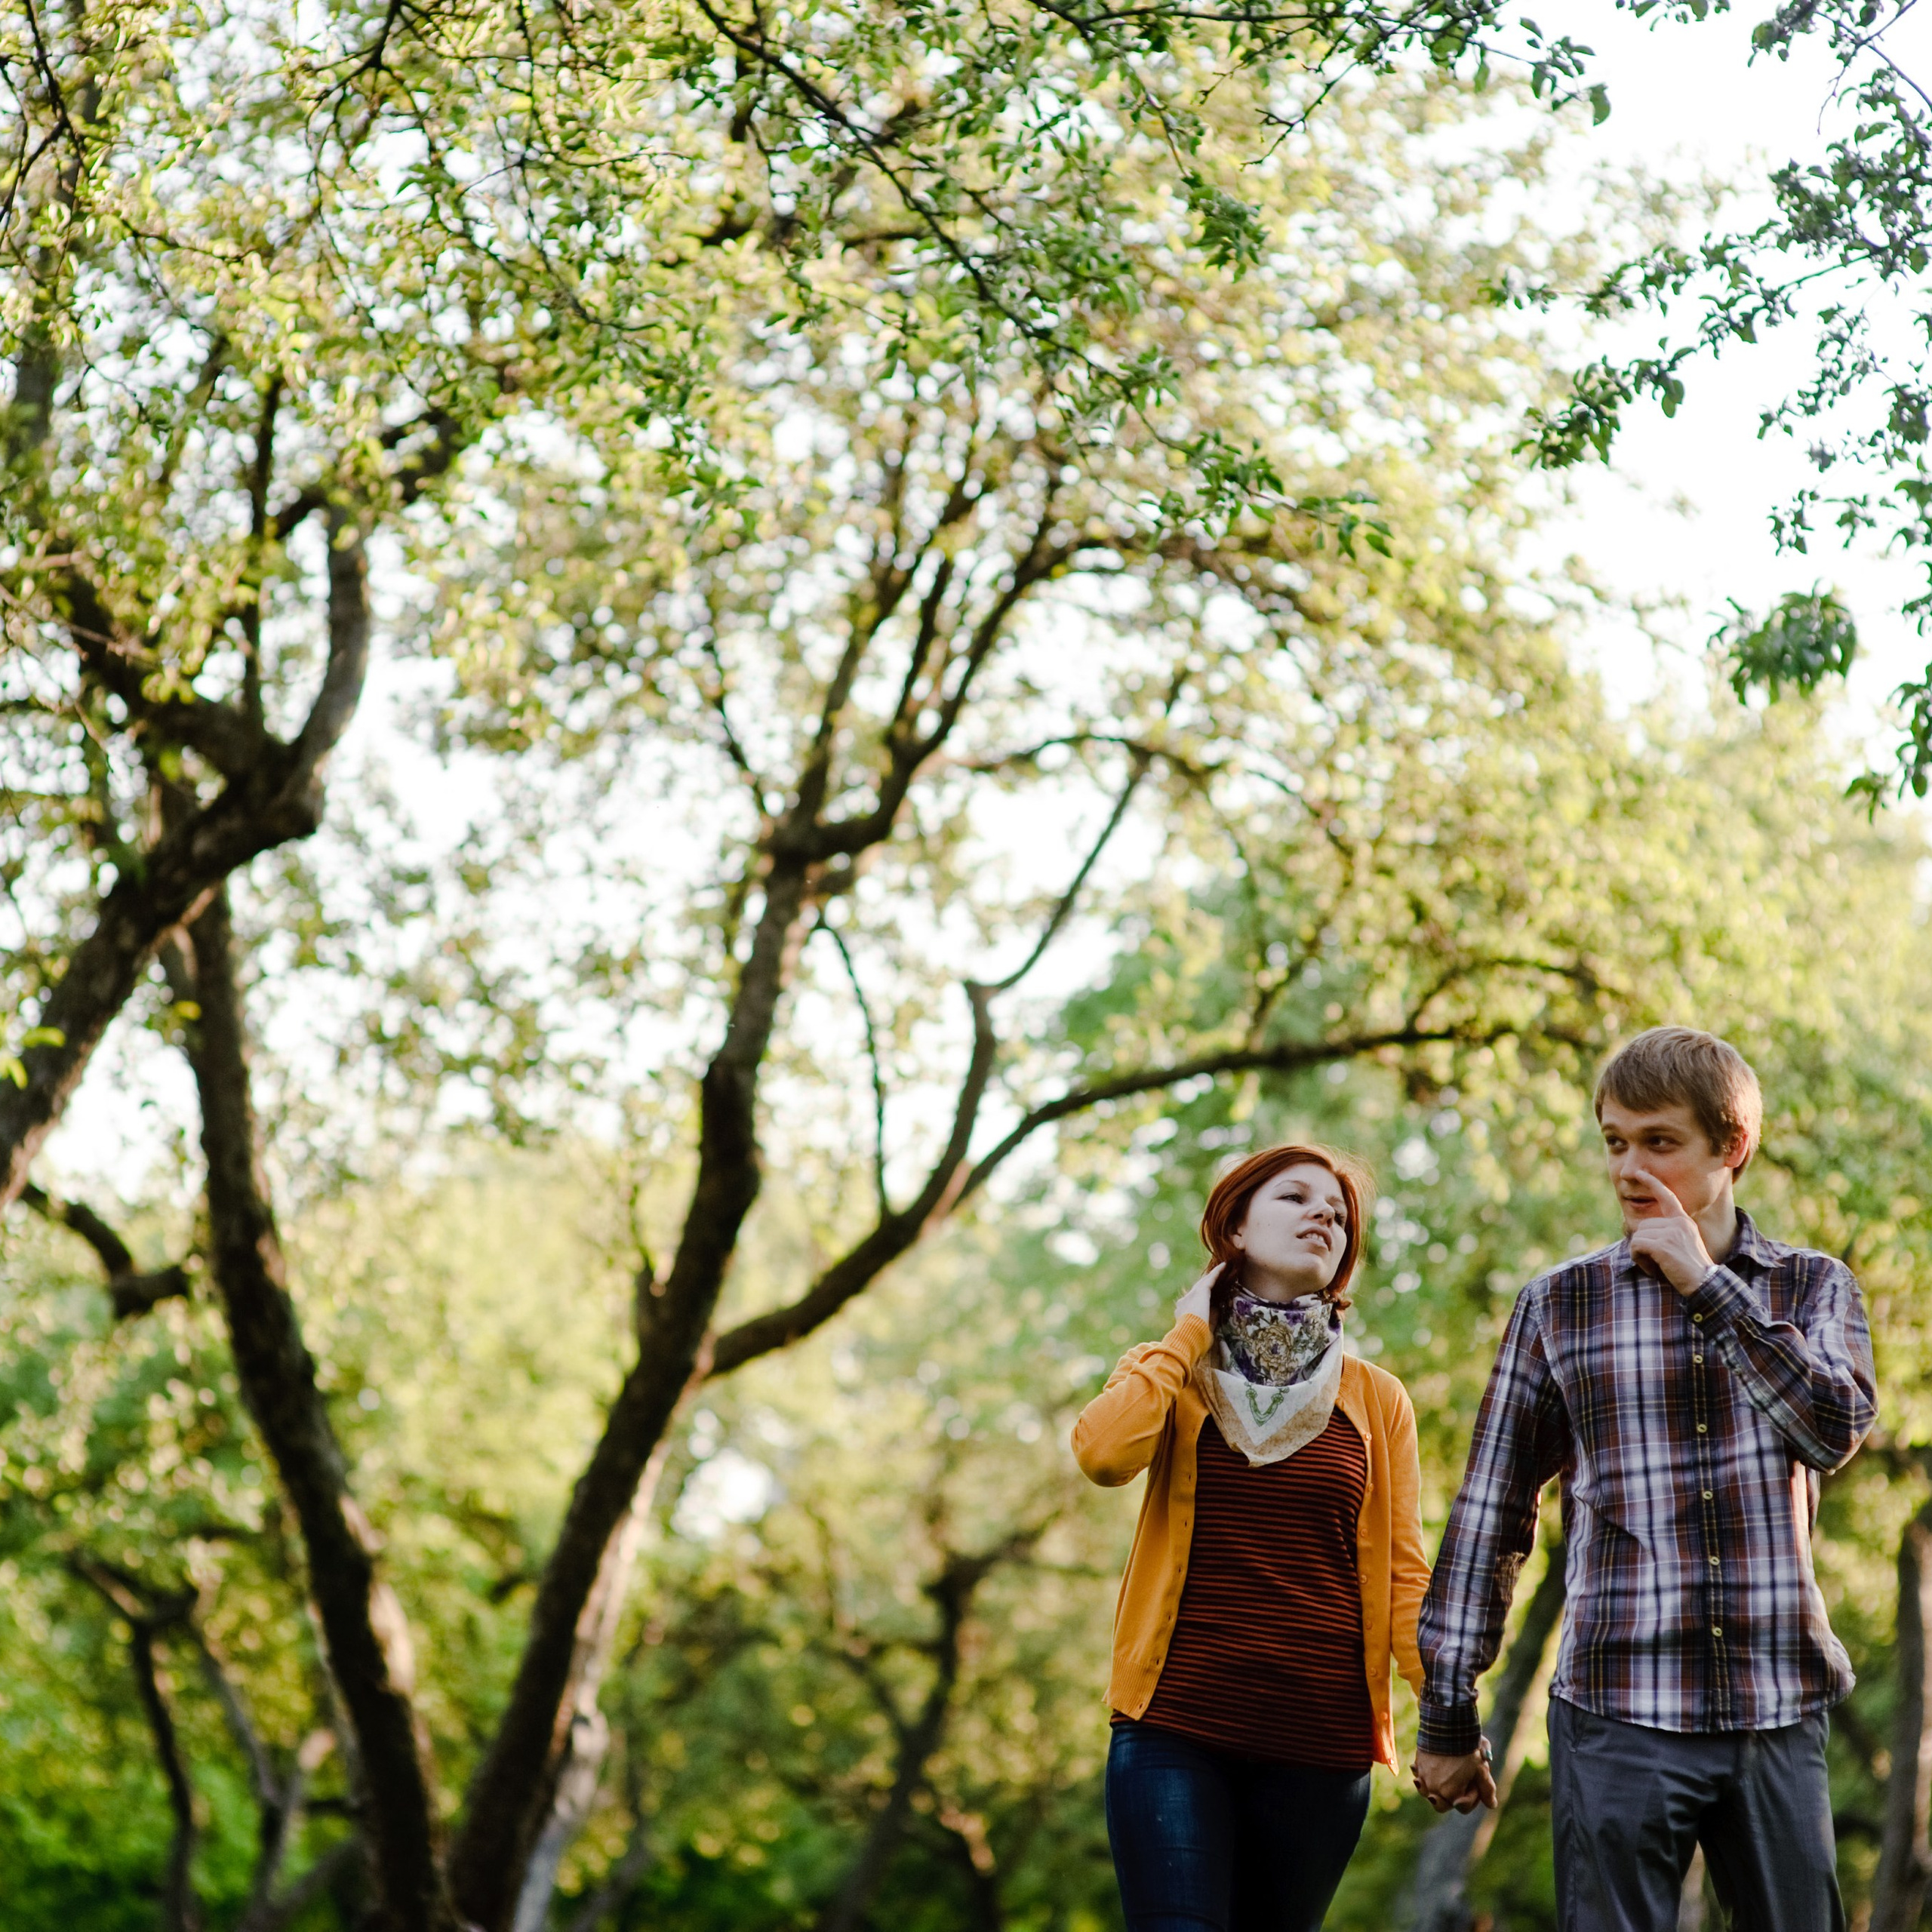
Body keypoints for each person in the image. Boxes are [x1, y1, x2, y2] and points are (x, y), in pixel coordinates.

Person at [1414, 1026, 1878, 1932]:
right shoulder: (1559, 1303)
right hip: (1615, 1709)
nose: (1629, 1167)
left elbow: (1832, 1430)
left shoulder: (1814, 1288)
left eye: (1658, 1141)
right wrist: (1445, 1711)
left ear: (1730, 1145)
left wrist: (1706, 1287)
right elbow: (1492, 1510)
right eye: (1614, 1141)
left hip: (1774, 1707)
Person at [1074, 1140, 1430, 1932]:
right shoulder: (1167, 1370)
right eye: (1295, 1199)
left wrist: (1444, 1714)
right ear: (1233, 1228)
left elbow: (1406, 1576)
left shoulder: (1377, 1399)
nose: (1322, 1217)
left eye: (1337, 1215)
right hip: (1173, 1728)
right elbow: (1103, 1453)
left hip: (1320, 1746)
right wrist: (1185, 1337)